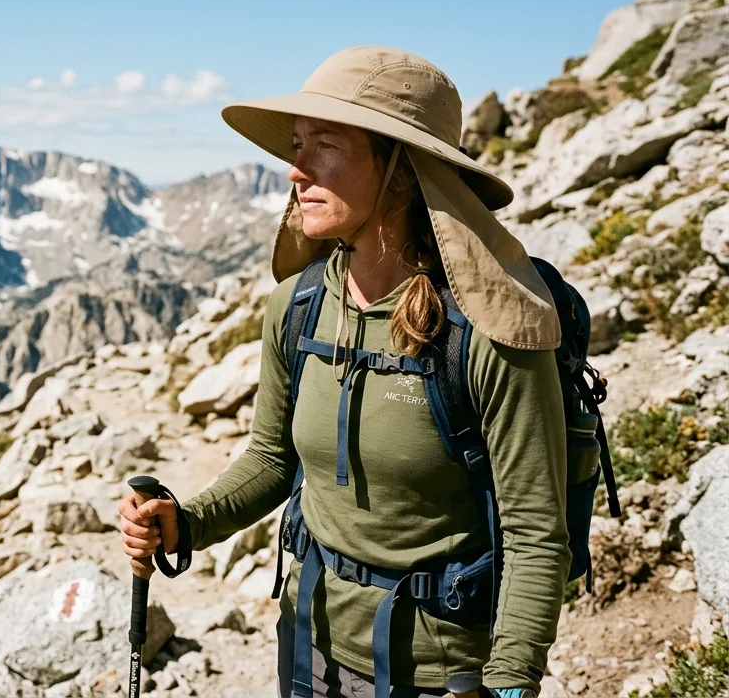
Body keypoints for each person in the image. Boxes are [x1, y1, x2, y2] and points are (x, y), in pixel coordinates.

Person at [118, 46, 569, 698]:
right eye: (297, 145)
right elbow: (272, 461)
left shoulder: (488, 331)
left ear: (404, 171)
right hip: (307, 645)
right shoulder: (297, 306)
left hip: (440, 673)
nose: (295, 170)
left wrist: (509, 685)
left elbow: (534, 535)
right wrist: (184, 522)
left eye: (324, 146)